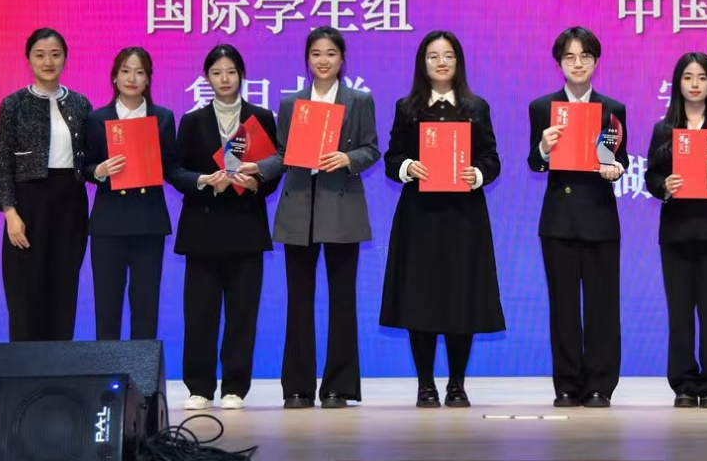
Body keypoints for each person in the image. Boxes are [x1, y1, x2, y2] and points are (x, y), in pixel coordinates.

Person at [245, 27, 381, 410]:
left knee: (342, 301)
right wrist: (259, 168)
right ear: (307, 58)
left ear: (342, 59)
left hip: (342, 208)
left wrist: (348, 158)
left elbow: (372, 149)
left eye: (331, 53)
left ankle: (339, 386)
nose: (323, 60)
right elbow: (283, 154)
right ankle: (298, 388)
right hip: (299, 208)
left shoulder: (359, 100)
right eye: (316, 53)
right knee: (299, 301)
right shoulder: (292, 103)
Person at [380, 30, 504, 408]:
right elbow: (391, 157)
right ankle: (425, 385)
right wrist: (407, 167)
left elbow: (491, 158)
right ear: (423, 63)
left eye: (448, 55)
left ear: (458, 62)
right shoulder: (407, 107)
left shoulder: (475, 107)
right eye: (433, 56)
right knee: (421, 300)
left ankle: (457, 384)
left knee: (460, 298)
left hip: (463, 217)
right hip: (420, 217)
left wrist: (477, 174)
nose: (441, 62)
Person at [169, 44, 279, 410]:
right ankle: (199, 387)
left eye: (231, 72)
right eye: (217, 73)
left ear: (241, 75)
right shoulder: (192, 120)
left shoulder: (261, 117)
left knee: (242, 314)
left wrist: (257, 182)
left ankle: (235, 387)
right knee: (199, 313)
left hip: (246, 227)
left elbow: (275, 166)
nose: (225, 79)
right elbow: (175, 170)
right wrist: (203, 180)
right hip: (202, 229)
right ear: (207, 78)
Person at [527, 26, 628, 408]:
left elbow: (621, 158)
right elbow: (535, 163)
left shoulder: (612, 109)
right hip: (559, 221)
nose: (578, 63)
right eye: (569, 57)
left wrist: (615, 169)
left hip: (600, 218)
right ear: (559, 64)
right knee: (564, 309)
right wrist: (544, 147)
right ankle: (567, 385)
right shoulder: (542, 108)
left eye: (585, 56)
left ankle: (600, 385)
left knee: (603, 307)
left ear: (596, 61)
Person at [645, 52, 707, 408]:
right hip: (676, 233)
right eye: (688, 77)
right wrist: (665, 186)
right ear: (678, 83)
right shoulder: (664, 128)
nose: (694, 84)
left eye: (702, 78)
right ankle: (684, 384)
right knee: (680, 313)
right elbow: (651, 176)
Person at [0, 27, 93, 341]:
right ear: (28, 59)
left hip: (70, 202)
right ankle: (25, 365)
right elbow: (3, 162)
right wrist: (10, 212)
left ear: (65, 58)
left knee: (64, 287)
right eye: (40, 55)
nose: (48, 61)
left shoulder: (80, 104)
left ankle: (58, 363)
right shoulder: (13, 104)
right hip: (29, 203)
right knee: (25, 289)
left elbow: (91, 157)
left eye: (55, 54)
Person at [83, 46, 177, 341]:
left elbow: (172, 167)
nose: (132, 78)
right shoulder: (98, 118)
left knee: (146, 307)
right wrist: (100, 171)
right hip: (109, 225)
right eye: (125, 71)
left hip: (149, 223)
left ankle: (144, 371)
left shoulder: (163, 118)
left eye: (139, 72)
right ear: (114, 77)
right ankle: (107, 369)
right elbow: (84, 166)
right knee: (107, 308)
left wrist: (199, 179)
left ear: (148, 79)